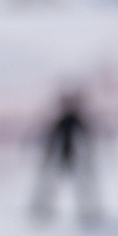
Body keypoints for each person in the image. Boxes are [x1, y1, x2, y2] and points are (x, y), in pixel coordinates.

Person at [31, 88, 104, 228]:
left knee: (81, 186)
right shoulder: (65, 121)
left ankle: (88, 210)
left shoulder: (71, 120)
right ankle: (43, 207)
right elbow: (51, 138)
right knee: (52, 184)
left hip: (74, 159)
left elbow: (86, 138)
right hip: (64, 158)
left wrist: (88, 155)